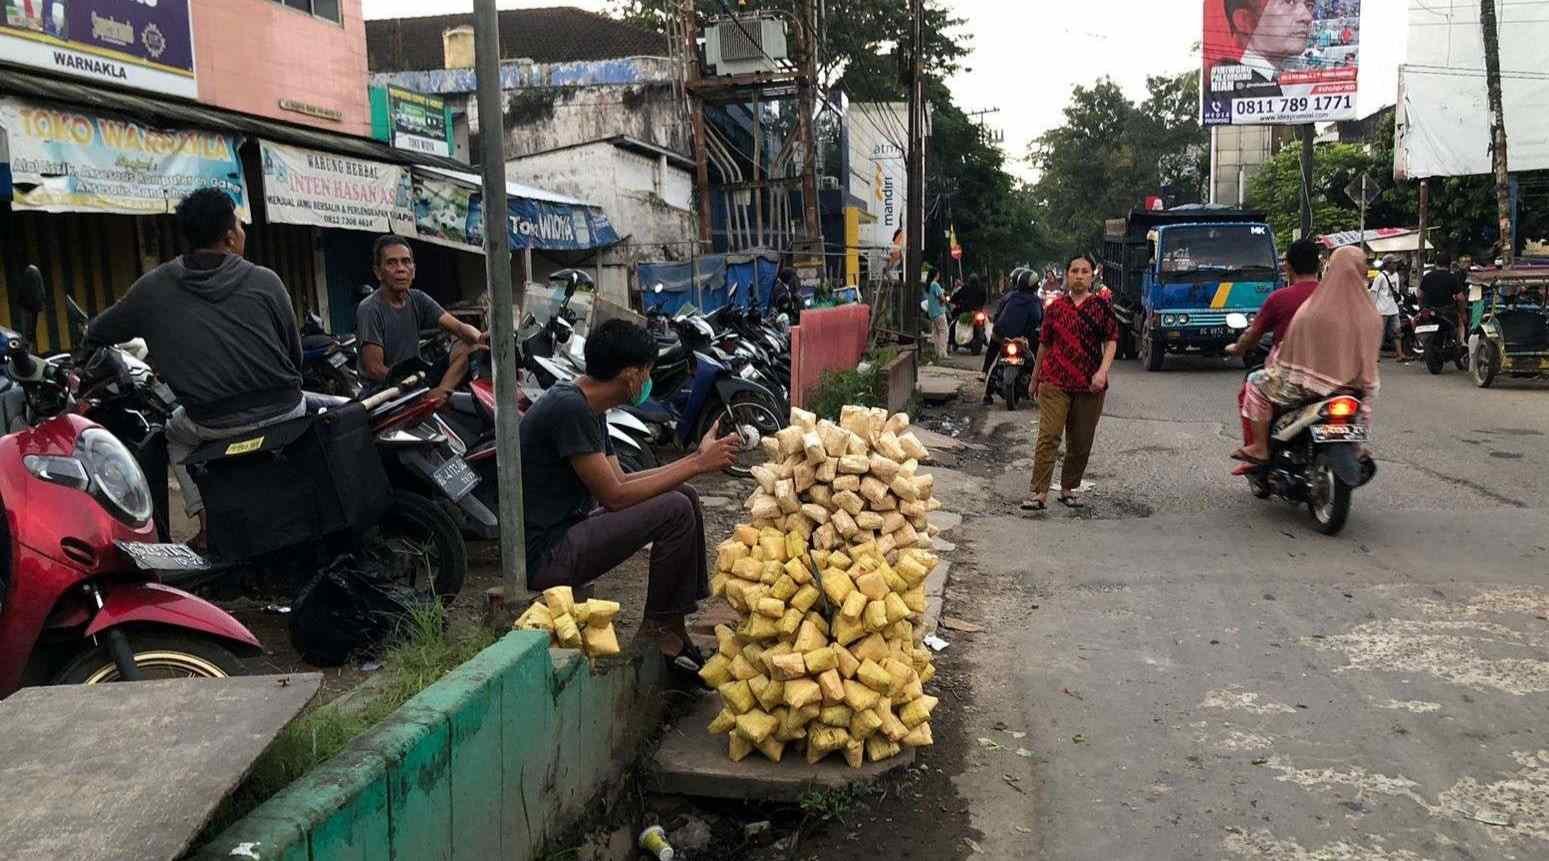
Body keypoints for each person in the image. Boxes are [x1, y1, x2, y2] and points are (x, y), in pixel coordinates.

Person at [82, 188, 305, 548]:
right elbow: (294, 357)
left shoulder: (152, 288)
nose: (243, 232)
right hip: (285, 408)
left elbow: (97, 332)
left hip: (212, 422)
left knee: (175, 434)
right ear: (230, 237)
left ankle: (206, 527)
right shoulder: (267, 280)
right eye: (240, 225)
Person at [521, 319, 739, 681]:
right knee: (675, 508)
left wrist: (691, 466)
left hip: (569, 532)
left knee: (682, 495)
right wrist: (698, 463)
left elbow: (620, 479)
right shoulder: (571, 409)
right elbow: (615, 496)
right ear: (631, 375)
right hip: (547, 554)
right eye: (648, 372)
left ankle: (674, 626)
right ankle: (658, 629)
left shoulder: (589, 405)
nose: (649, 380)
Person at [1233, 246, 1381, 464]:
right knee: (1360, 407)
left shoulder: (1312, 309)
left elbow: (1292, 352)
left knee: (1255, 382)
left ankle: (1260, 447)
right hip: (1355, 387)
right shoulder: (1371, 314)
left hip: (1308, 386)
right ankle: (1356, 447)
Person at [1022, 255, 1118, 512]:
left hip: (1089, 385)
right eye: (1074, 270)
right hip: (1055, 381)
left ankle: (1068, 488)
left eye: (1084, 271)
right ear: (1066, 274)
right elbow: (1044, 344)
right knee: (1049, 436)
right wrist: (1035, 377)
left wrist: (1102, 372)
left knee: (1081, 439)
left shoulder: (1101, 307)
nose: (1079, 275)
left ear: (1092, 276)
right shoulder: (1055, 309)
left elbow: (1111, 341)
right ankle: (1039, 492)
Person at [356, 235, 487, 400]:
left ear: (414, 270)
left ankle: (439, 395)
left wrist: (481, 338)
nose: (400, 268)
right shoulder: (370, 309)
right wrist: (410, 386)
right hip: (384, 391)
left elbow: (459, 328)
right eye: (391, 263)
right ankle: (430, 398)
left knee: (469, 346)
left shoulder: (417, 298)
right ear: (378, 272)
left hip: (416, 379)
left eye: (406, 262)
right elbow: (374, 369)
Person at [1226, 239, 1323, 450]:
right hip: (1338, 378)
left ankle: (1259, 447)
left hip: (1297, 378)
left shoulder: (1280, 298)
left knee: (1254, 382)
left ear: (1287, 266)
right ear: (1319, 265)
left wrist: (1237, 348)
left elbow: (1253, 333)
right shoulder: (1336, 297)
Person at [1213, 0, 1316, 98]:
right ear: (1244, 20)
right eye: (1288, 1)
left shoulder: (1268, 82)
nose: (1307, 17)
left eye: (1309, 5)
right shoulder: (1231, 92)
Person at [983, 268, 1044, 403]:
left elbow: (999, 314)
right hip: (1023, 338)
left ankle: (986, 389)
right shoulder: (1035, 301)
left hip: (1002, 336)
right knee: (1038, 356)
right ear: (1035, 285)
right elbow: (1040, 319)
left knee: (994, 359)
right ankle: (1038, 382)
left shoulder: (1009, 296)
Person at [1419, 251, 1468, 344]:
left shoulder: (1427, 276)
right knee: (1461, 322)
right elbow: (1460, 298)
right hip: (1448, 312)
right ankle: (1461, 343)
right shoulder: (1452, 278)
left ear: (1436, 263)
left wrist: (1422, 308)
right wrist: (1463, 313)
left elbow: (1419, 295)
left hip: (1429, 311)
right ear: (1449, 264)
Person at [1370, 255, 1404, 362]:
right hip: (1382, 309)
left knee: (1397, 331)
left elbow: (1397, 291)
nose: (1395, 265)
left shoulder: (1396, 275)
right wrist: (1372, 308)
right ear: (1388, 264)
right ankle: (1375, 355)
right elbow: (1374, 293)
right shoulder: (1380, 277)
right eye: (1393, 263)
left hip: (1394, 308)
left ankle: (1400, 354)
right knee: (1381, 333)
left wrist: (1400, 302)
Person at [948, 273, 988, 354]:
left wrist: (954, 301)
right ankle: (986, 340)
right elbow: (984, 299)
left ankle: (950, 342)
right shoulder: (982, 288)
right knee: (987, 324)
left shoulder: (965, 288)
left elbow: (955, 297)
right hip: (978, 312)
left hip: (966, 312)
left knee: (953, 325)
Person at [923, 267, 949, 357]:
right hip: (939, 312)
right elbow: (942, 298)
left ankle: (937, 352)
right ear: (936, 274)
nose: (939, 275)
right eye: (938, 273)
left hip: (932, 313)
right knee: (943, 331)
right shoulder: (935, 285)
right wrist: (946, 299)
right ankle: (943, 353)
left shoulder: (929, 285)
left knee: (936, 333)